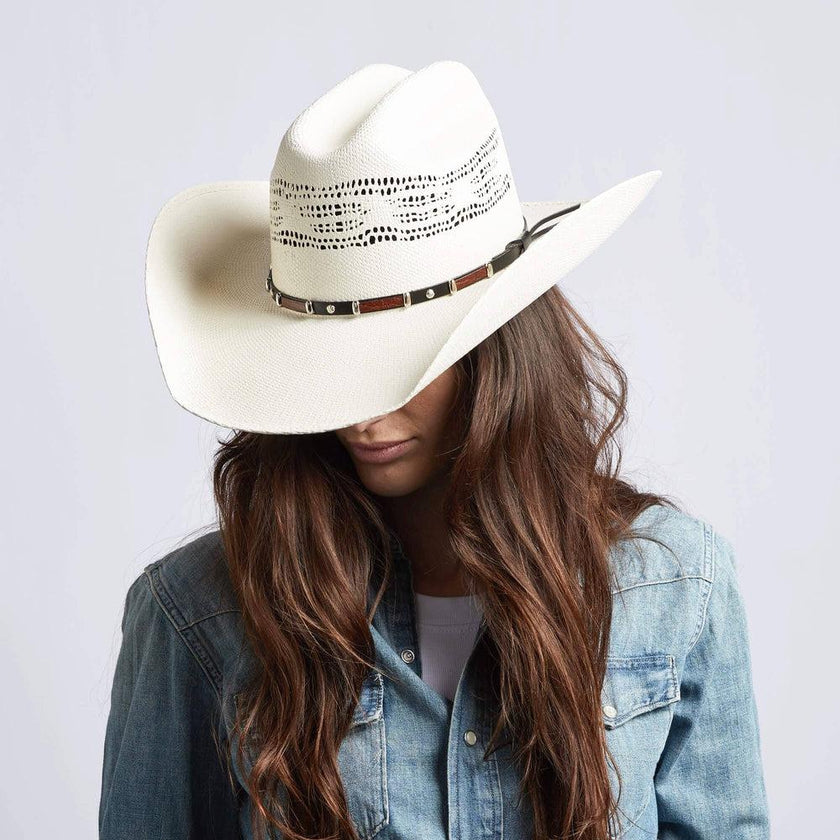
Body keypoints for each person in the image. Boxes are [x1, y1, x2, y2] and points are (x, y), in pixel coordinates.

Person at [99, 60, 770, 840]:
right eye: (332, 366)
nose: (365, 414)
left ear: (499, 346)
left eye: (406, 359)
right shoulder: (198, 614)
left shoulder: (677, 591)